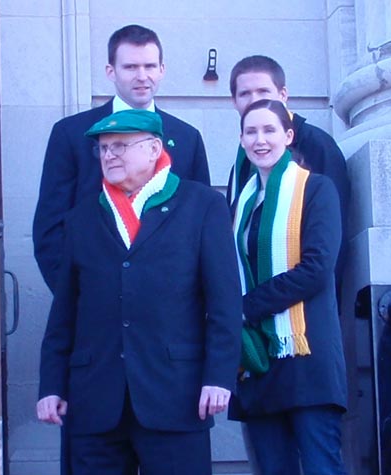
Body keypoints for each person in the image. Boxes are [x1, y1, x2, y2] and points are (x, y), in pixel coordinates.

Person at [36, 109, 242, 475]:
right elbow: (65, 310)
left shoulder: (202, 205)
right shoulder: (82, 216)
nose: (109, 155)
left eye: (120, 146)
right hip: (95, 399)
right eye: (102, 149)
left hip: (176, 396)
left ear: (153, 149)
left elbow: (224, 302)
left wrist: (219, 376)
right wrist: (52, 384)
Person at [33, 24, 210, 293]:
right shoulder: (70, 134)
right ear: (110, 71)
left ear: (162, 70)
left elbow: (203, 226)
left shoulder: (187, 138)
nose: (142, 76)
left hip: (171, 308)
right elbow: (50, 228)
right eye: (130, 67)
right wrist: (75, 299)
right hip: (94, 303)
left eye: (150, 66)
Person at [228, 99, 347, 475]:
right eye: (251, 131)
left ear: (288, 135)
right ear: (242, 140)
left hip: (307, 357)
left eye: (269, 130)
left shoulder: (317, 189)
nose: (260, 140)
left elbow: (316, 269)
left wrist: (246, 307)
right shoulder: (241, 203)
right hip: (258, 362)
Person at [226, 55, 350, 307]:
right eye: (245, 94)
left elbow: (329, 246)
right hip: (254, 307)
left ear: (283, 95)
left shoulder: (318, 146)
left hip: (305, 313)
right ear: (234, 102)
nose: (255, 100)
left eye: (264, 91)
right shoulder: (242, 161)